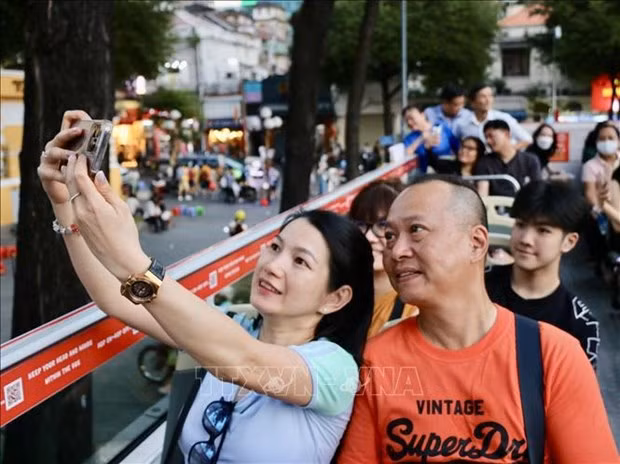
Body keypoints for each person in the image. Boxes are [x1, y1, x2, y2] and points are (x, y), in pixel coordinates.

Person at [39, 111, 376, 464]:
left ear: (335, 298)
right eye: (275, 247)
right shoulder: (233, 326)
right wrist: (64, 201)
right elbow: (113, 298)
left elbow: (244, 361)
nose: (273, 266)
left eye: (300, 261)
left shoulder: (335, 369)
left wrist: (133, 261)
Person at [337, 175, 618, 463]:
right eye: (390, 236)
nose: (396, 251)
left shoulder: (555, 356)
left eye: (416, 230)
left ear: (476, 242)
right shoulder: (376, 360)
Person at [485, 180, 599, 368]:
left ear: (569, 242)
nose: (526, 239)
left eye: (543, 230)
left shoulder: (578, 323)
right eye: (520, 225)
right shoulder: (477, 287)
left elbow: (576, 394)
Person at [348, 180, 419, 337]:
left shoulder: (415, 308)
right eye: (360, 225)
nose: (369, 237)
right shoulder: (336, 296)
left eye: (382, 226)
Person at [454, 83, 532, 151]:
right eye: (483, 96)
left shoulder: (504, 118)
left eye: (490, 96)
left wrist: (507, 152)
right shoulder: (462, 123)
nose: (488, 100)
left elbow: (527, 140)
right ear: (473, 102)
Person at [475, 119, 541, 197]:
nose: (488, 141)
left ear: (507, 134)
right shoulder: (484, 162)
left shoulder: (530, 160)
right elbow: (483, 194)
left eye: (491, 136)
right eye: (486, 137)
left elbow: (537, 191)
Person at [402, 104, 459, 174]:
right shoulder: (409, 138)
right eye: (406, 120)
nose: (409, 122)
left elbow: (456, 147)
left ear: (422, 115)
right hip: (423, 175)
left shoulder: (441, 127)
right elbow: (404, 155)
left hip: (447, 171)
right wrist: (421, 139)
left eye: (411, 118)